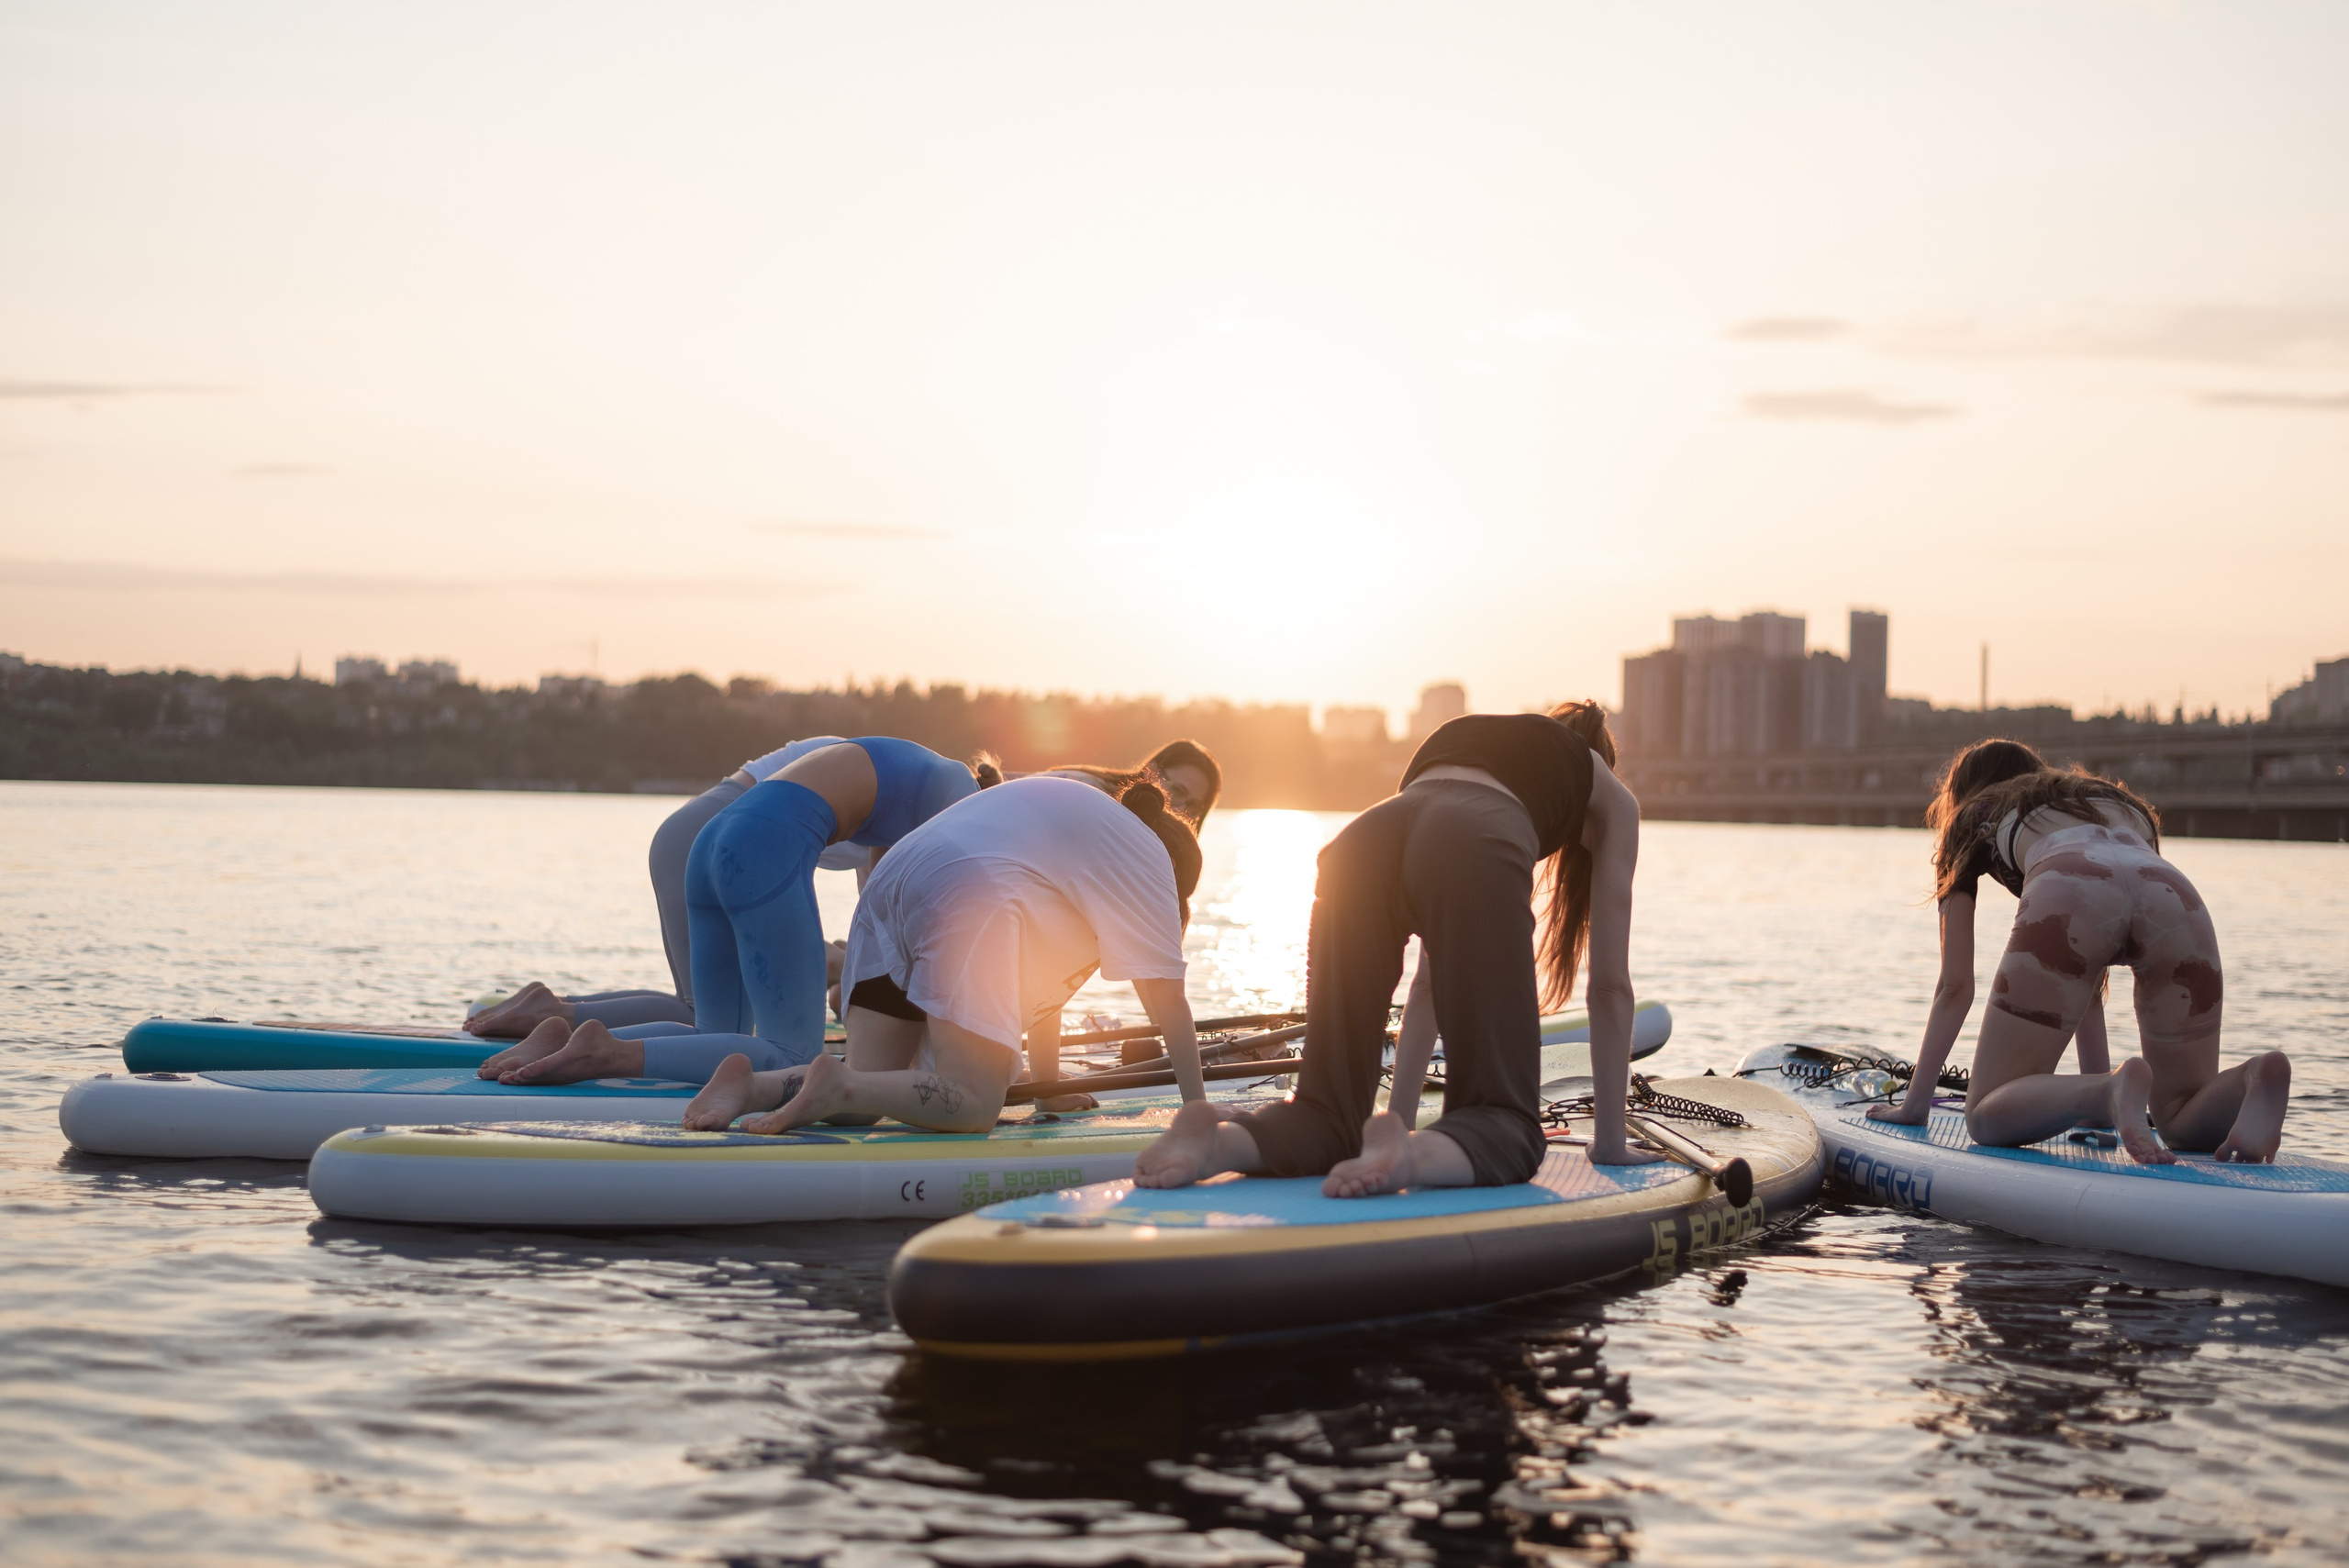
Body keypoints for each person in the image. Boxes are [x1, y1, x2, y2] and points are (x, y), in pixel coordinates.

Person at [1135, 700, 1661, 1197]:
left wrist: (1399, 1124)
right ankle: (1409, 1158)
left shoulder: (1471, 740)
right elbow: (1610, 988)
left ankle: (1216, 1140)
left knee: (1325, 1116)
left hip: (1360, 841)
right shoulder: (1605, 790)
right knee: (1506, 1130)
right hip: (1469, 841)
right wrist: (1610, 1145)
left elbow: (1427, 985)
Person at [462, 738, 1218, 1035]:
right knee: (731, 1036)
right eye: (1173, 795)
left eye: (1194, 806)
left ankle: (551, 1012)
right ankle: (568, 1027)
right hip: (732, 846)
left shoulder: (951, 796)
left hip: (697, 840)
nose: (1179, 814)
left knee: (713, 1021)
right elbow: (907, 927)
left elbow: (887, 907)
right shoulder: (959, 809)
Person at [680, 773, 1205, 1134]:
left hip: (896, 883)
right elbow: (1169, 1006)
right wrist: (1198, 1114)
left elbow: (1045, 990)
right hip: (967, 895)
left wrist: (1047, 1090)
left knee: (874, 1086)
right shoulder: (1150, 862)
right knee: (974, 1102)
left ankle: (750, 1086)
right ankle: (837, 1086)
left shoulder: (1088, 831)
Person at [475, 738, 996, 1085]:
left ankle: (573, 1036)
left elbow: (881, 917)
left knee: (715, 1033)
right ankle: (605, 1053)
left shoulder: (920, 773)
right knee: (793, 1055)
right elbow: (925, 932)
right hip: (760, 850)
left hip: (710, 843)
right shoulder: (961, 798)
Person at [1866, 740, 2289, 1164]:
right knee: (2179, 1117)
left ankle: (2110, 1091)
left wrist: (1914, 1107)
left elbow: (1955, 986)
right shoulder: (2108, 800)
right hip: (2177, 898)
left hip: (2070, 885)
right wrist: (2098, 1120)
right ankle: (2254, 1077)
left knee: (1984, 1115)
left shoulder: (1973, 814)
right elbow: (2091, 972)